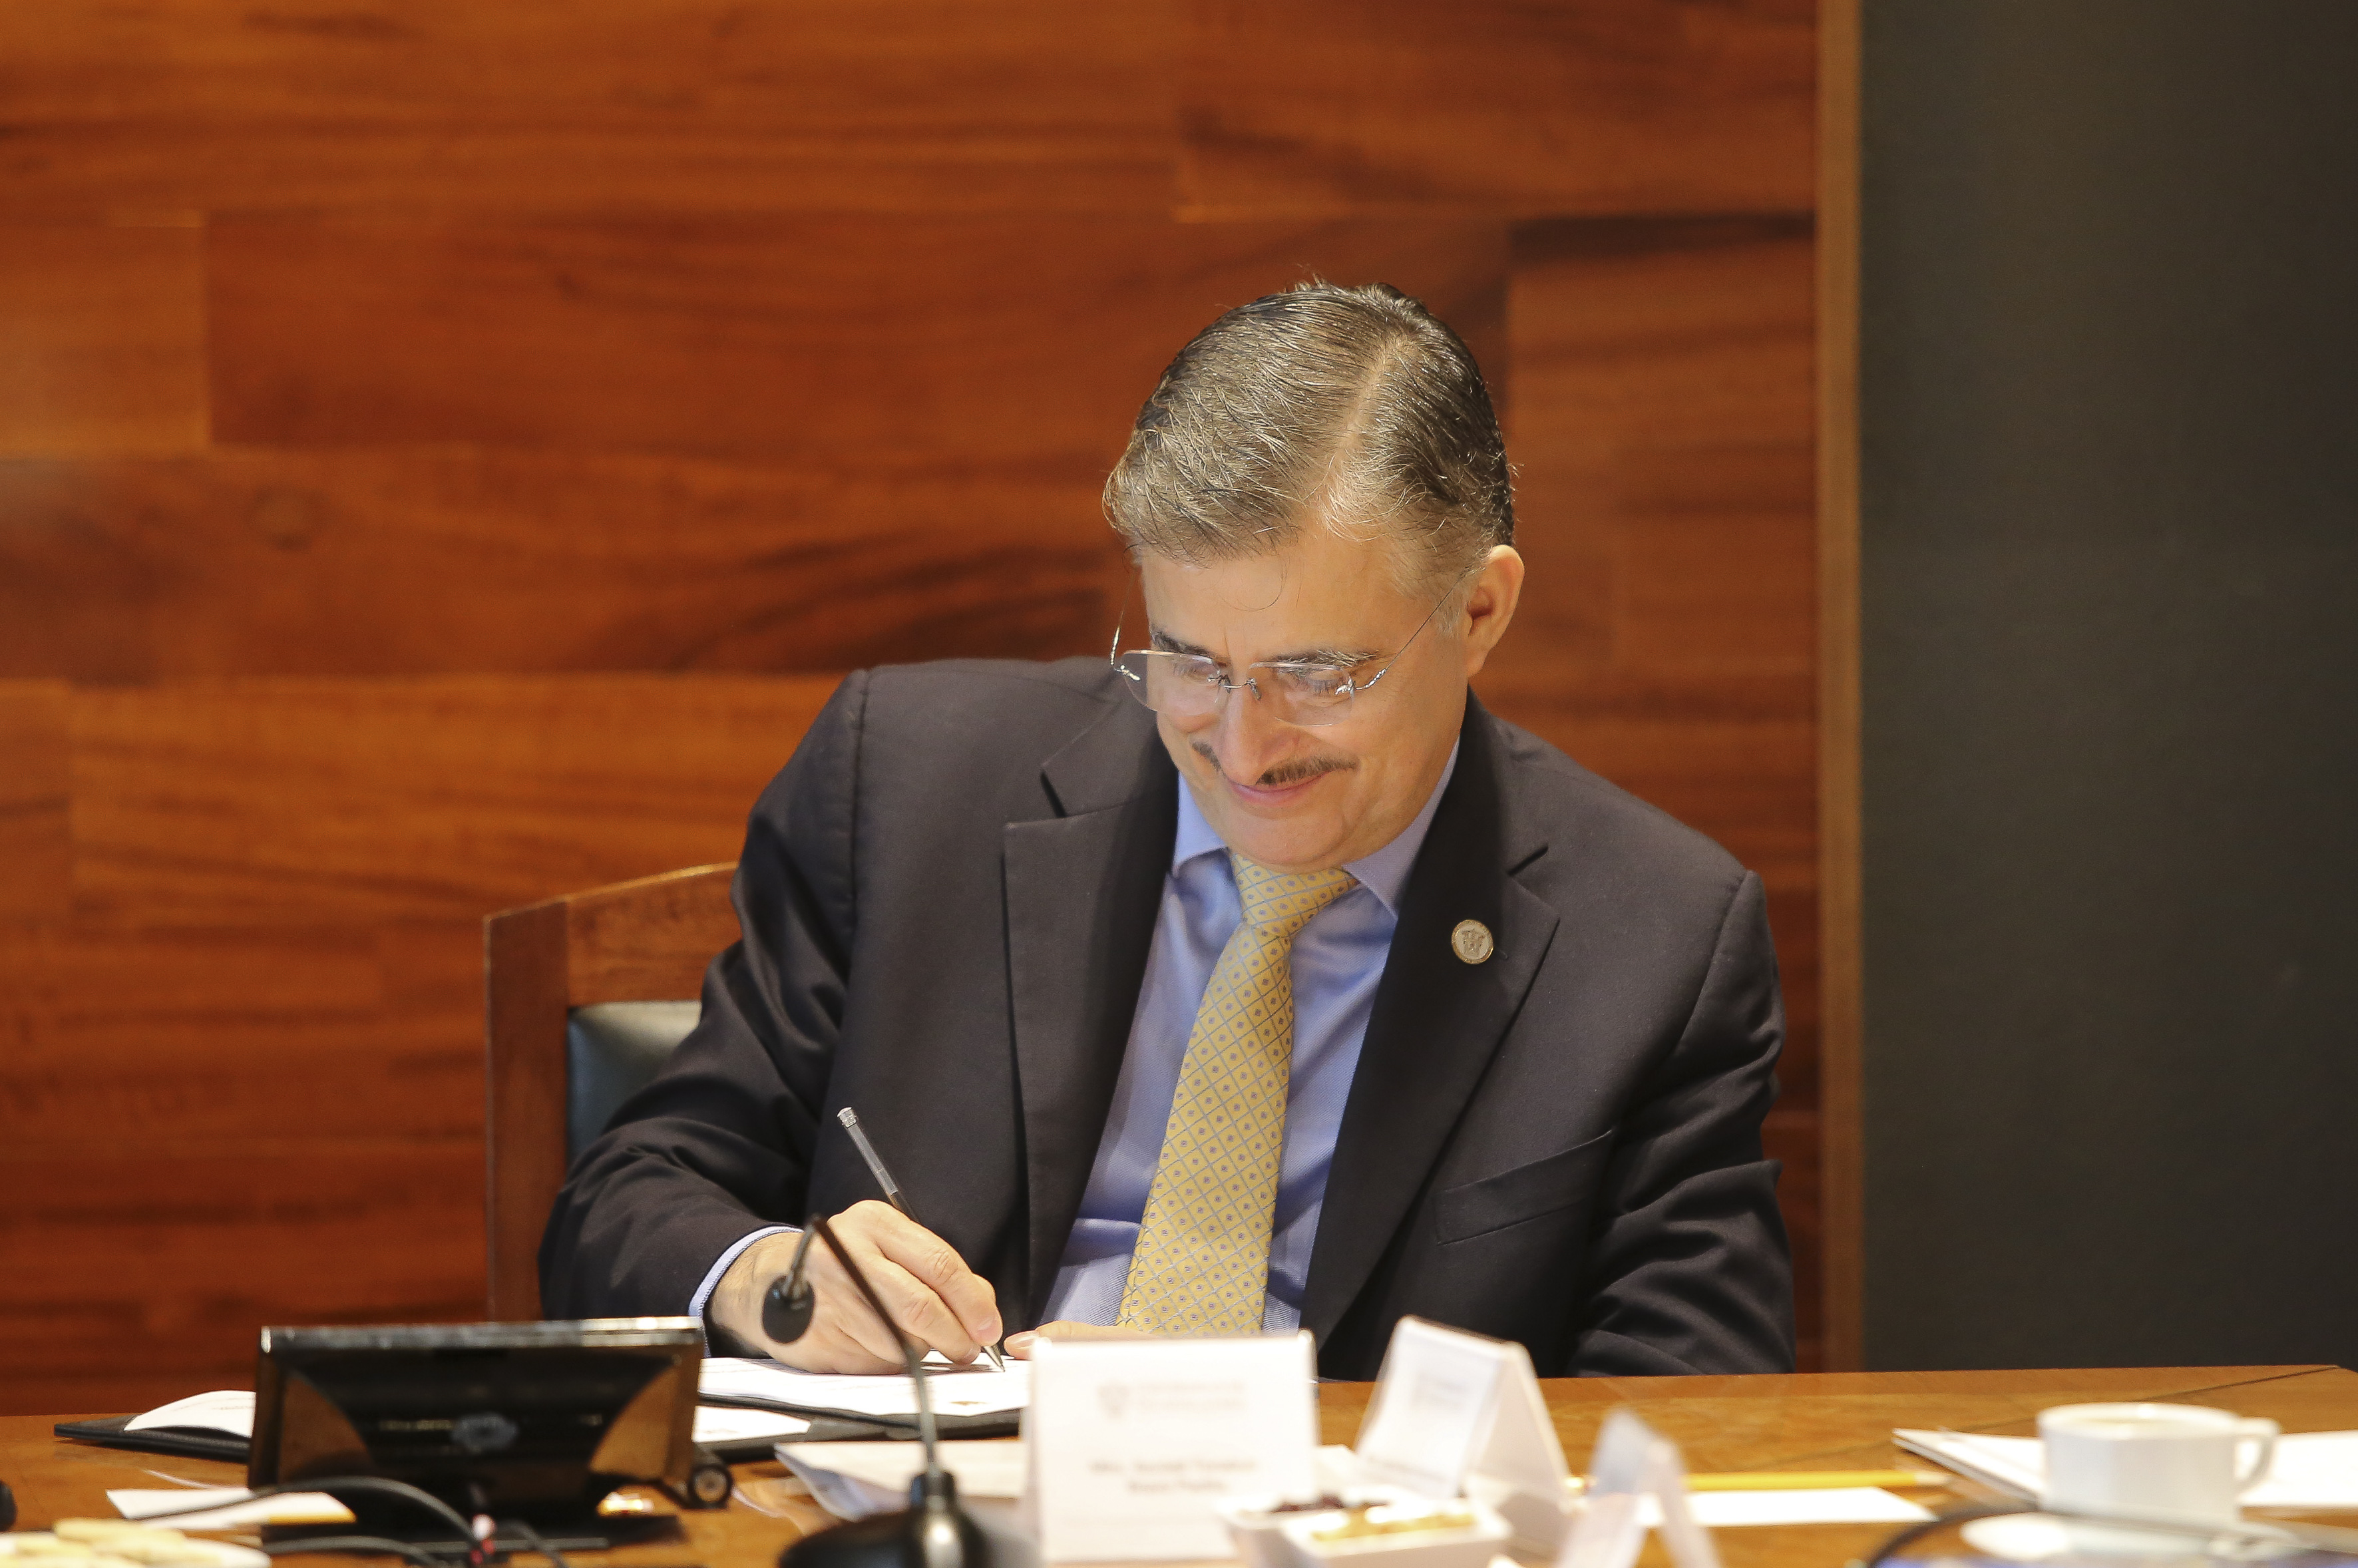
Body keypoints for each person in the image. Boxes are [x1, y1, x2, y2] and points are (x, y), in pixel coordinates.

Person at [540, 282, 1794, 1378]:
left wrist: (1229, 1429)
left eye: (1319, 674)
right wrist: (782, 1285)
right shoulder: (913, 784)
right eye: (1190, 660)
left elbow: (1690, 1402)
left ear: (1478, 612)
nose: (1244, 749)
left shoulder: (1654, 941)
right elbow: (628, 1199)